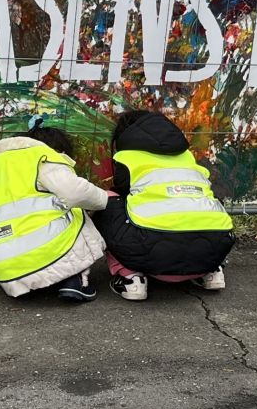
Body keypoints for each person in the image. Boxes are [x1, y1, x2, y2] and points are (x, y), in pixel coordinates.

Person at [99, 108, 233, 302]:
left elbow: (122, 194)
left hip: (151, 258)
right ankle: (211, 272)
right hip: (213, 250)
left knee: (107, 199)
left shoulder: (128, 158)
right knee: (206, 203)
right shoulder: (186, 156)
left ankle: (129, 276)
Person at [0, 123, 109, 302]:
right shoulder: (42, 156)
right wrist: (105, 199)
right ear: (59, 149)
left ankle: (23, 278)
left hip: (0, 262)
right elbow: (75, 192)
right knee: (77, 207)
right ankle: (76, 280)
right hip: (43, 252)